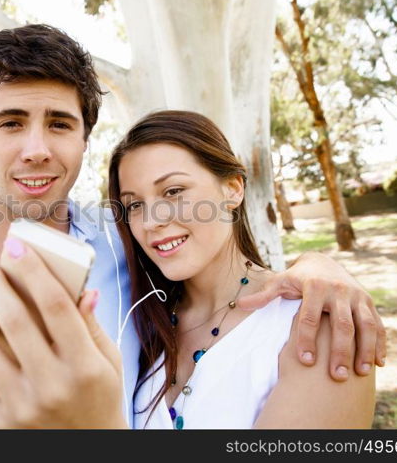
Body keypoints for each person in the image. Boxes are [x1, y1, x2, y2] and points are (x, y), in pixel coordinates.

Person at [0, 24, 385, 429]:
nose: (36, 149)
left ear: (85, 136)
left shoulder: (123, 247)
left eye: (60, 124)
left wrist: (322, 268)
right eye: (11, 122)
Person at [106, 110, 375, 428]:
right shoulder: (143, 323)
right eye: (135, 205)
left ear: (233, 189)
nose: (151, 222)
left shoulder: (313, 323)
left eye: (173, 191)